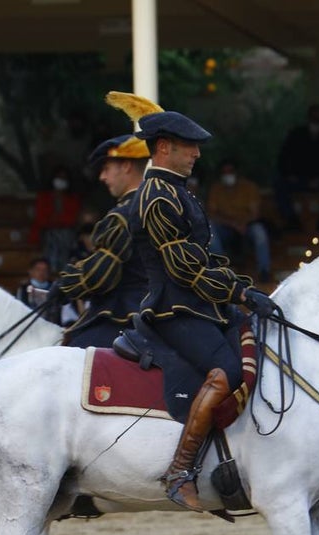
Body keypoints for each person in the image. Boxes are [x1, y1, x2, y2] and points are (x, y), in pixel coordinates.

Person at [107, 91, 276, 511]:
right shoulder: (157, 196)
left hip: (198, 305)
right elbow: (183, 267)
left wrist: (242, 287)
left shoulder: (179, 191)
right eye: (190, 147)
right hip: (173, 307)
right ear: (164, 147)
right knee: (228, 370)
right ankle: (179, 470)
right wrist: (237, 292)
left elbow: (206, 257)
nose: (198, 154)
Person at [47, 134, 151, 348]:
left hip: (126, 313)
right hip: (160, 310)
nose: (102, 177)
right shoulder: (159, 205)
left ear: (126, 166)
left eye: (106, 169)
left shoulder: (123, 215)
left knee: (71, 354)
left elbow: (101, 275)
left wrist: (65, 287)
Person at [207, 158, 273, 283]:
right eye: (224, 172)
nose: (228, 175)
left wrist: (242, 223)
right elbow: (212, 213)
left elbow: (255, 213)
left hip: (247, 225)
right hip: (225, 226)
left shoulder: (249, 187)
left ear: (237, 173)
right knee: (210, 228)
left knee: (260, 232)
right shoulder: (216, 189)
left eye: (230, 171)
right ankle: (222, 269)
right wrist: (232, 224)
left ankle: (264, 271)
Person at [273, 104, 319, 231]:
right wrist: (290, 175)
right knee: (279, 183)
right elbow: (284, 158)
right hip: (297, 179)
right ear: (308, 117)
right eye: (314, 117)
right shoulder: (296, 134)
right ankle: (291, 220)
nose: (317, 120)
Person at [29, 164, 84, 273]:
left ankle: (63, 272)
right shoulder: (44, 197)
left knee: (64, 238)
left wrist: (57, 220)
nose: (61, 181)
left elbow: (71, 220)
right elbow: (41, 218)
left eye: (64, 178)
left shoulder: (73, 198)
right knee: (52, 239)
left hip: (66, 234)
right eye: (59, 178)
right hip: (47, 233)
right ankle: (51, 271)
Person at [16, 257, 71, 326]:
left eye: (45, 270)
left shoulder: (56, 289)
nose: (41, 273)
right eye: (38, 270)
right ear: (30, 271)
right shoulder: (23, 289)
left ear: (49, 272)